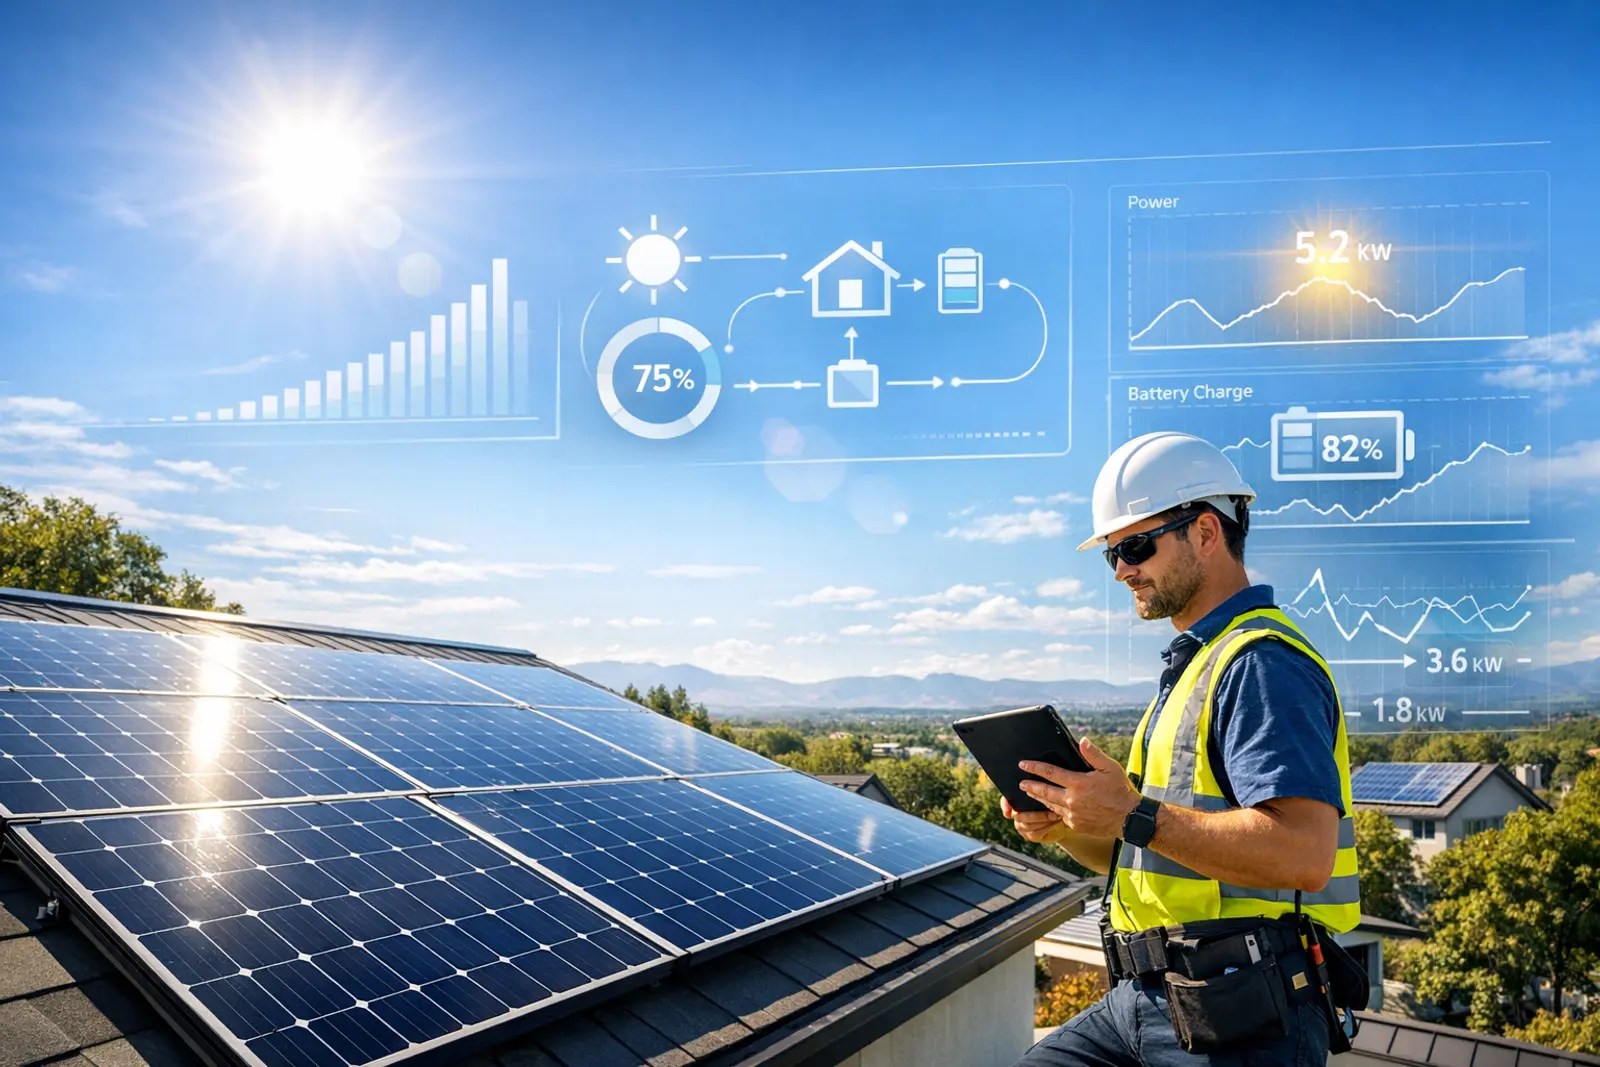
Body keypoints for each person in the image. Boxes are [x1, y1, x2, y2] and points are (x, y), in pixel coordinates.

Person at [1011, 431, 1360, 1067]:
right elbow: (1145, 848)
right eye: (1111, 554)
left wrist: (1129, 814)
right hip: (1145, 1000)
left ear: (1204, 532)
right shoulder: (1195, 669)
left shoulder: (1261, 663)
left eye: (1135, 546)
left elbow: (1307, 855)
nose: (1120, 570)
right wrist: (1067, 824)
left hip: (1238, 1013)